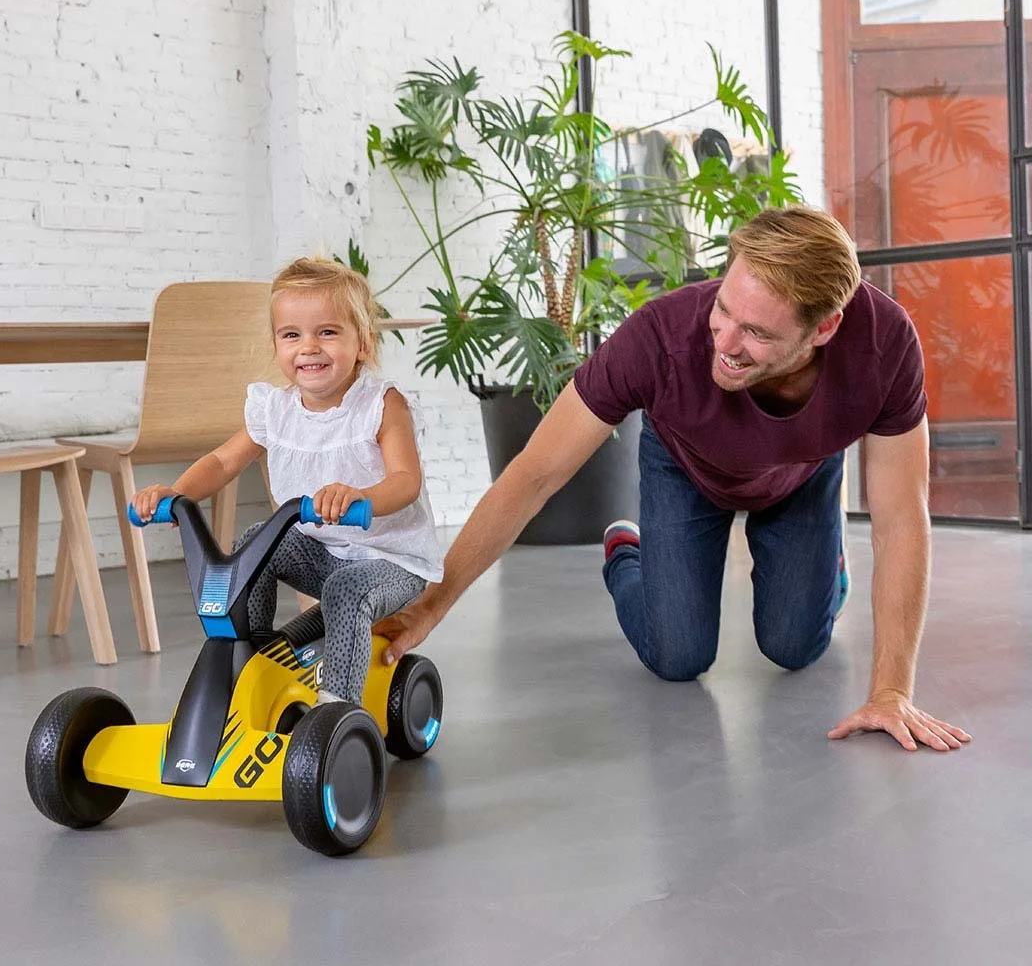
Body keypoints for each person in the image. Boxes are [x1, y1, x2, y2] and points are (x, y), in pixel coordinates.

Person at [375, 206, 972, 753]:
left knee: (796, 649)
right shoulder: (659, 339)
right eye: (724, 310)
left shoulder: (883, 344)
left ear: (823, 330)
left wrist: (892, 690)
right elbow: (532, 475)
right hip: (688, 467)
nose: (726, 344)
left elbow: (900, 518)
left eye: (758, 334)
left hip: (801, 474)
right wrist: (431, 604)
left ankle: (822, 569)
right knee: (677, 656)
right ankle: (628, 551)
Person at [131, 256, 443, 704]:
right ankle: (254, 657)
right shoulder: (273, 409)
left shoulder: (380, 404)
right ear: (277, 344)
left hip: (391, 559)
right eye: (292, 335)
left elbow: (405, 481)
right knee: (257, 542)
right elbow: (221, 462)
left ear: (363, 345)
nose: (309, 347)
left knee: (345, 590)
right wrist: (176, 493)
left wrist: (362, 497)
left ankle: (336, 707)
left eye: (328, 332)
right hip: (322, 551)